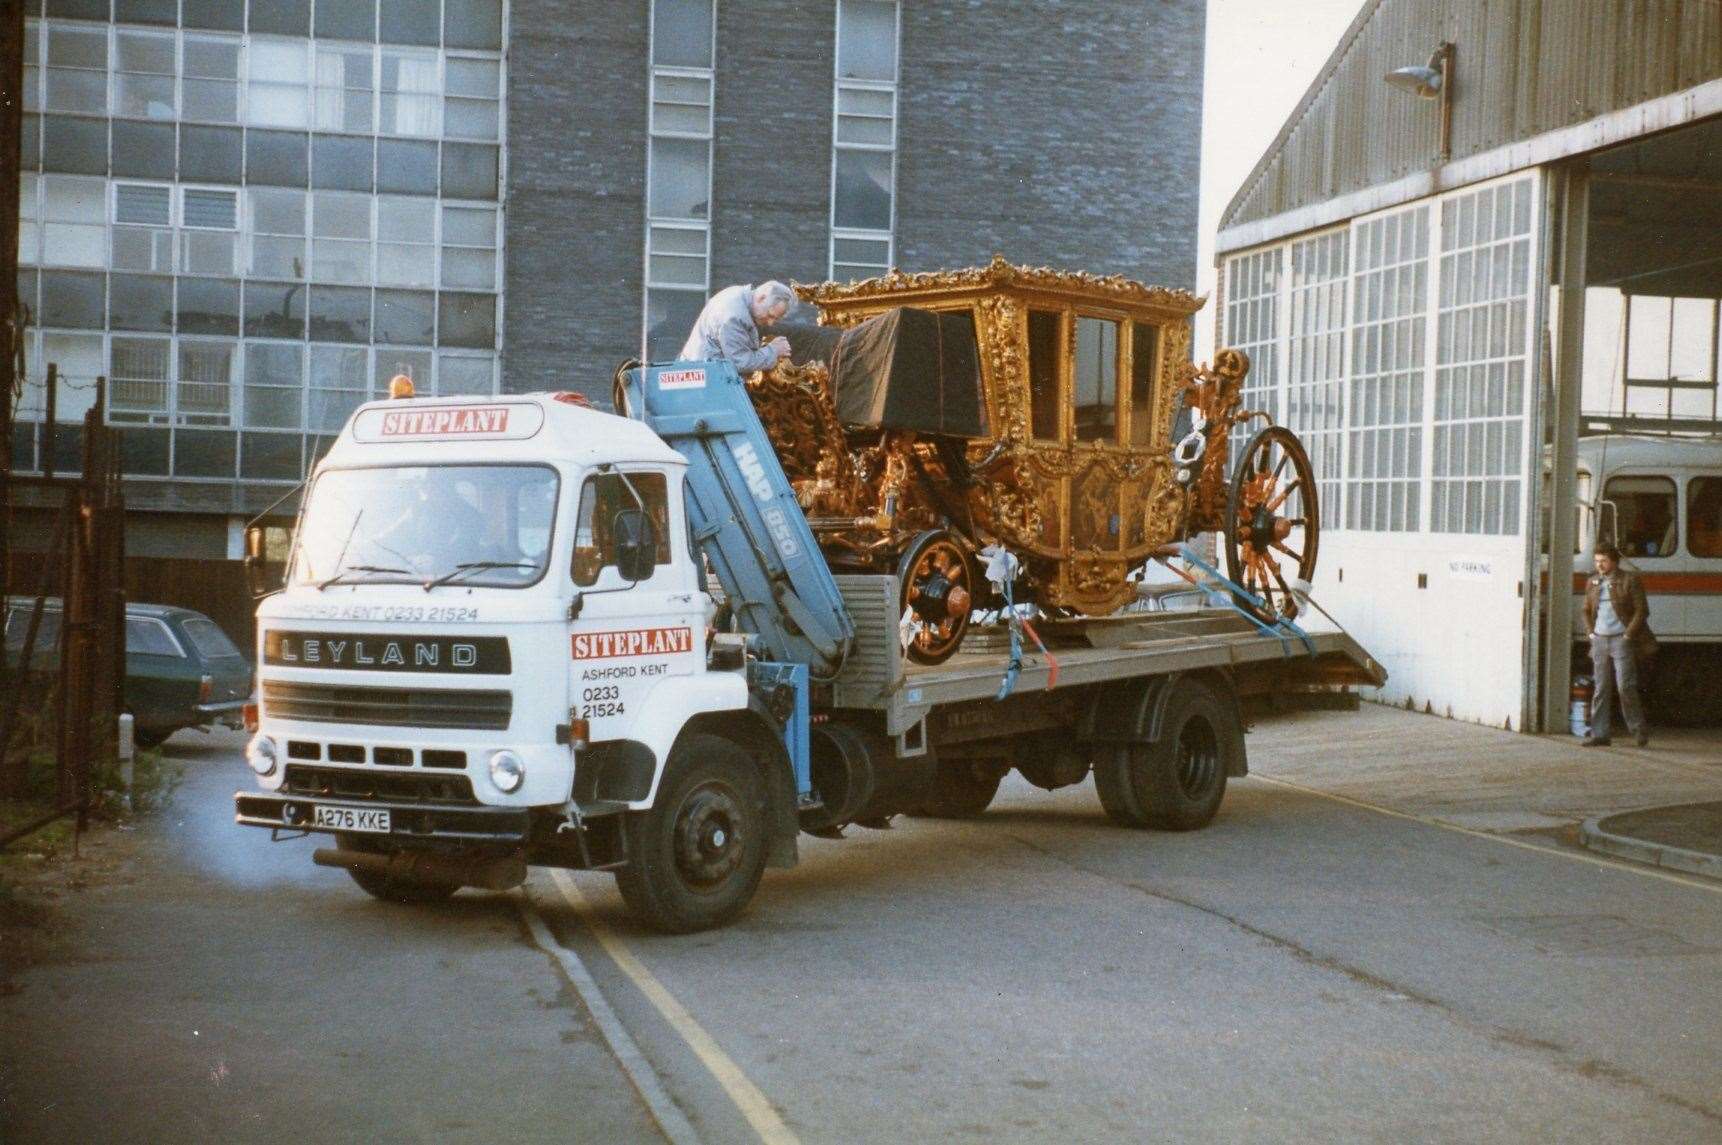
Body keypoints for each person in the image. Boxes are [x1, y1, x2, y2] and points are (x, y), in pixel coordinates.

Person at [1582, 542, 1651, 748]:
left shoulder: (1629, 580)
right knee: (1600, 688)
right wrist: (1590, 633)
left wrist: (1628, 634)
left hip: (1621, 639)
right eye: (1596, 561)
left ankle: (1638, 731)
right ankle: (1600, 734)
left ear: (1614, 561)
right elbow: (1585, 609)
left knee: (1625, 686)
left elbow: (1642, 610)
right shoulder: (1592, 582)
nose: (1599, 565)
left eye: (1603, 561)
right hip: (1600, 640)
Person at [678, 281, 796, 372]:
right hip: (704, 380)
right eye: (770, 316)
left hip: (697, 370)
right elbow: (739, 363)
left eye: (775, 319)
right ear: (761, 298)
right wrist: (774, 351)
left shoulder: (737, 295)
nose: (770, 323)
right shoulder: (734, 316)